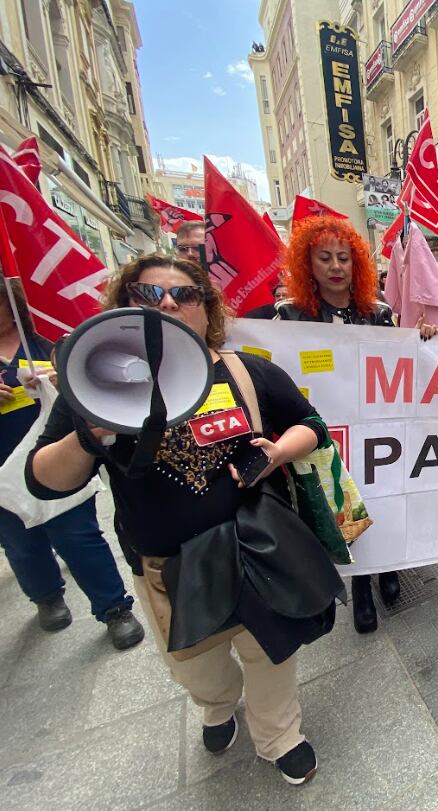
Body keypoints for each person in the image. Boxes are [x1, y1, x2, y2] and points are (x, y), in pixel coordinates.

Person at [28, 254, 342, 784]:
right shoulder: (96, 385)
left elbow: (312, 424)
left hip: (255, 550)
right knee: (196, 666)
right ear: (127, 308)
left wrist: (280, 451)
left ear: (207, 307)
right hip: (166, 570)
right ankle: (217, 706)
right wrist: (91, 433)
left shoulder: (245, 371)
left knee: (271, 652)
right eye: (149, 295)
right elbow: (44, 479)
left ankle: (279, 734)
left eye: (184, 294)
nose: (168, 304)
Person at [274, 215, 412, 636]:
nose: (336, 266)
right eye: (324, 258)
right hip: (322, 434)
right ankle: (363, 589)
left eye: (344, 258)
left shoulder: (381, 314)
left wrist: (422, 335)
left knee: (383, 500)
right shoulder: (289, 316)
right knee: (342, 506)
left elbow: (404, 364)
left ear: (357, 265)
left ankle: (388, 569)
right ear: (308, 264)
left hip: (377, 429)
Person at [0, 282, 143, 648]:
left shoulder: (48, 337)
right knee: (20, 539)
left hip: (61, 450)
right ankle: (45, 595)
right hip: (4, 461)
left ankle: (113, 608)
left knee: (77, 533)